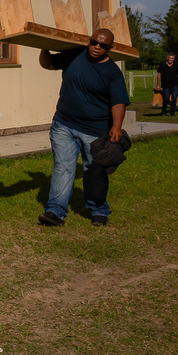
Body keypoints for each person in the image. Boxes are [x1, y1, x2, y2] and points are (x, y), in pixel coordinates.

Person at [37, 28, 130, 228]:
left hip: (94, 130)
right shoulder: (74, 55)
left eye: (103, 45)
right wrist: (44, 47)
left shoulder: (112, 72)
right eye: (94, 42)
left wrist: (116, 126)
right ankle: (55, 211)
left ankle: (98, 210)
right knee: (63, 167)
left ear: (110, 48)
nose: (97, 47)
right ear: (89, 40)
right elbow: (48, 64)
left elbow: (118, 101)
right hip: (64, 124)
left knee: (93, 170)